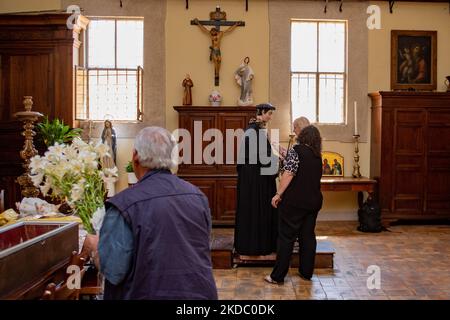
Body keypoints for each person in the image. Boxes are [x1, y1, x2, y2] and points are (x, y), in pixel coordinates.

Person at [82, 126, 218, 300]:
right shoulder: (198, 197)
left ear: (135, 157)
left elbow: (114, 270)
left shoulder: (124, 204)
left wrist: (95, 247)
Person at [264, 125, 323, 284]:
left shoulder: (296, 151)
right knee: (308, 237)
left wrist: (278, 194)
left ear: (302, 136)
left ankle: (277, 276)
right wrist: (286, 154)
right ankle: (306, 272)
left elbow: (289, 173)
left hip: (295, 203)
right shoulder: (317, 155)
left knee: (286, 238)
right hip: (313, 202)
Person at [234, 103, 279, 256]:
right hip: (256, 179)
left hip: (251, 177)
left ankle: (250, 244)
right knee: (257, 210)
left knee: (252, 210)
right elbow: (264, 156)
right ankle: (258, 245)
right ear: (262, 113)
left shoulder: (253, 129)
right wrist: (279, 163)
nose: (271, 117)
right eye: (269, 114)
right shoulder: (255, 131)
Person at [193, 18, 243, 84]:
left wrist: (236, 24)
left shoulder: (220, 34)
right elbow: (204, 30)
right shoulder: (211, 34)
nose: (213, 35)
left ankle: (217, 73)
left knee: (219, 60)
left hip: (218, 50)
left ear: (216, 32)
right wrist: (198, 23)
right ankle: (216, 73)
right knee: (216, 60)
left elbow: (228, 30)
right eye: (212, 34)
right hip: (214, 50)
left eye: (214, 33)